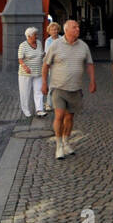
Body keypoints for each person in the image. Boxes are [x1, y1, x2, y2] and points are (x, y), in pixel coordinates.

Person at [41, 19, 95, 159]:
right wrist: (44, 83)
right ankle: (58, 145)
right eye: (74, 27)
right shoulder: (55, 45)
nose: (78, 29)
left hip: (75, 88)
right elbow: (46, 65)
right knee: (59, 116)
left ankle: (66, 141)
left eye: (78, 27)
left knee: (70, 117)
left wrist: (92, 81)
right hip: (58, 87)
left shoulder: (83, 46)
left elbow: (89, 64)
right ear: (66, 30)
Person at [17, 27, 46, 117]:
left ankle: (39, 109)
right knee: (25, 92)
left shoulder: (39, 43)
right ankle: (25, 110)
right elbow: (20, 59)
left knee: (38, 91)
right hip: (26, 73)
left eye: (36, 34)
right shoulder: (23, 45)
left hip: (38, 71)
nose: (36, 36)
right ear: (29, 36)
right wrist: (25, 67)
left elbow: (41, 54)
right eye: (35, 35)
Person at [43, 21, 61, 110]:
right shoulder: (48, 41)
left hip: (61, 65)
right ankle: (49, 104)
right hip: (52, 66)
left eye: (56, 29)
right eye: (52, 30)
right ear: (49, 31)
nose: (54, 31)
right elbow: (47, 54)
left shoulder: (62, 39)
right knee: (51, 85)